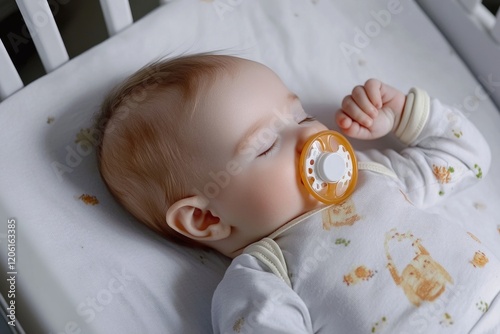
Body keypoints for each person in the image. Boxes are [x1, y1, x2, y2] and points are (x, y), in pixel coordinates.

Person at [95, 54, 499, 333]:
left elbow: (470, 160)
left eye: (301, 115)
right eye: (267, 144)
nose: (310, 133)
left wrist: (404, 115)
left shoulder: (373, 175)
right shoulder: (265, 277)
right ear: (207, 218)